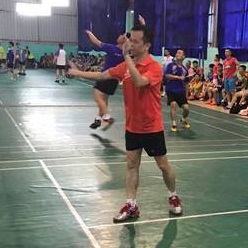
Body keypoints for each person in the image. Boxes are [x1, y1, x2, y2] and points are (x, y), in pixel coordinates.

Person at [67, 25, 183, 222]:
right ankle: (131, 205)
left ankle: (173, 196)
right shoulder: (125, 67)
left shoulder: (154, 67)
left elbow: (140, 82)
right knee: (131, 165)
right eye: (130, 40)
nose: (130, 44)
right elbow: (102, 76)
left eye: (135, 41)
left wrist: (127, 58)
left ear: (146, 45)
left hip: (152, 127)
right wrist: (77, 73)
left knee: (163, 166)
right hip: (132, 127)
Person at [84, 29, 125, 130]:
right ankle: (98, 119)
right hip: (115, 80)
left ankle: (107, 116)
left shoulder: (112, 48)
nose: (119, 36)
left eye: (122, 35)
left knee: (97, 97)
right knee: (104, 100)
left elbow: (96, 42)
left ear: (124, 39)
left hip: (105, 76)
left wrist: (89, 33)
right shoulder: (126, 53)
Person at [164, 49, 191, 132]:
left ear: (183, 57)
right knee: (173, 105)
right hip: (171, 89)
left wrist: (187, 94)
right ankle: (174, 123)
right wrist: (178, 77)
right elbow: (167, 75)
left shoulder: (185, 69)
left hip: (180, 91)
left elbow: (186, 83)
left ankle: (183, 119)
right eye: (177, 53)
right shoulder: (170, 65)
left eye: (179, 53)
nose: (177, 54)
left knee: (186, 108)